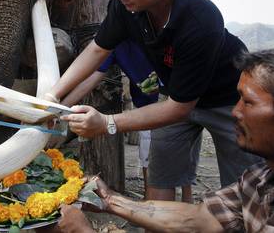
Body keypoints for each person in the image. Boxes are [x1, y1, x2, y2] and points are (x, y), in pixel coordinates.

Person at [45, 0, 261, 202]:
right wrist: (53, 96)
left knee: (244, 189)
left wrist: (107, 122)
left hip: (227, 102)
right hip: (174, 98)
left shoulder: (201, 19)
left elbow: (180, 108)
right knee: (160, 179)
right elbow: (97, 50)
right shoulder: (126, 7)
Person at [53, 49, 274, 233]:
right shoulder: (257, 180)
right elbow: (200, 218)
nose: (235, 111)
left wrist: (85, 231)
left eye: (248, 102)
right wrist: (110, 200)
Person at [61, 39, 199, 202]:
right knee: (148, 153)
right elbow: (93, 77)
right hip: (147, 108)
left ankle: (187, 197)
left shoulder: (158, 31)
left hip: (181, 100)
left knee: (187, 150)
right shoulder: (113, 41)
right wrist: (59, 107)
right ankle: (150, 201)